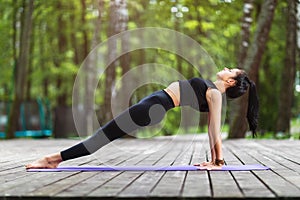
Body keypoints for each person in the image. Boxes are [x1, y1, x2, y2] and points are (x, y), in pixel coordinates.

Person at [25, 67, 259, 170]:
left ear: (230, 82)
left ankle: (52, 159)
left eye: (232, 70)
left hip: (152, 107)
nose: (226, 68)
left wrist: (217, 162)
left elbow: (214, 130)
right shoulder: (212, 90)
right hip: (152, 104)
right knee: (101, 137)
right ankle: (54, 158)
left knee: (100, 138)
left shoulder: (215, 94)